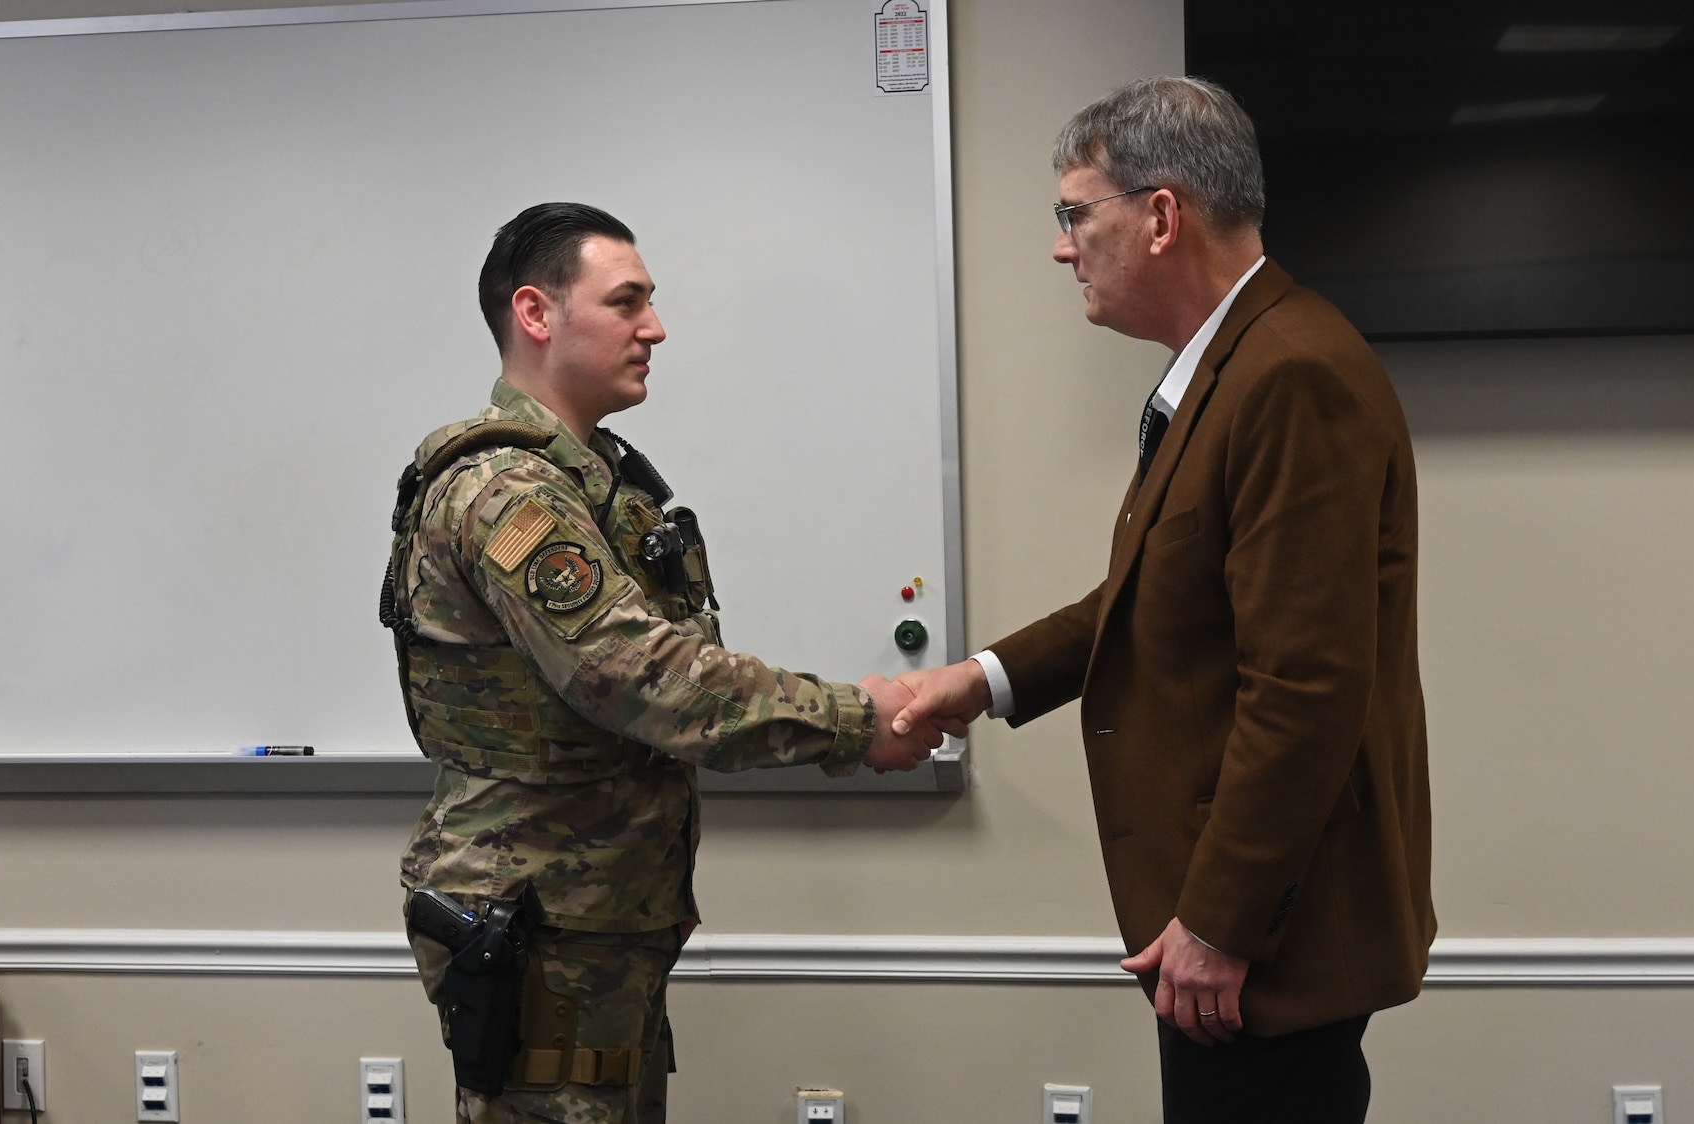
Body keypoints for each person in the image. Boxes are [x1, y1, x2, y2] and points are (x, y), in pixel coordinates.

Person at [888, 77, 1435, 1123]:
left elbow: (1305, 681)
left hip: (1264, 940)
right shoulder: (1231, 366)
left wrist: (1221, 922)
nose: (1061, 247)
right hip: (1241, 927)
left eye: (1072, 214)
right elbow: (1157, 597)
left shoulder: (1287, 374)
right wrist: (984, 679)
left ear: (1159, 214)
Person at [384, 202, 944, 1124]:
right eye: (627, 301)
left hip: (595, 911)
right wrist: (855, 717)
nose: (656, 327)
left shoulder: (594, 479)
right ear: (537, 314)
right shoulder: (508, 495)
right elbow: (648, 680)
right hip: (542, 922)